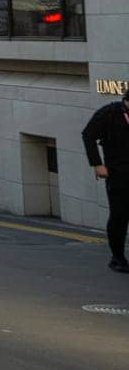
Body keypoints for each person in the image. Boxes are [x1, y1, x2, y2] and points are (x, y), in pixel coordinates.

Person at [81, 87, 129, 273]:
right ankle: (117, 257)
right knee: (119, 215)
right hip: (118, 173)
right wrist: (97, 164)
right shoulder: (109, 113)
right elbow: (88, 135)